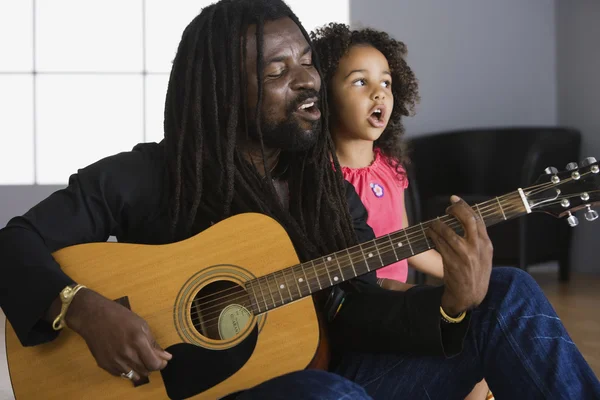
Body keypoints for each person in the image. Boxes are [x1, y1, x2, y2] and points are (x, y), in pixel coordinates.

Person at [0, 1, 598, 399]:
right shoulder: (151, 175)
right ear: (224, 94)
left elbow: (360, 311)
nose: (309, 80)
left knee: (510, 293)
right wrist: (78, 306)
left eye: (308, 63)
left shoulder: (325, 190)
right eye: (278, 70)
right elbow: (14, 241)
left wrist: (453, 306)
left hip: (331, 376)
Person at [311, 23, 491, 399]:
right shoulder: (322, 181)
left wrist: (460, 271)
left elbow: (404, 240)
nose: (379, 91)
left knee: (482, 333)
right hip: (365, 309)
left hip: (402, 297)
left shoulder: (391, 168)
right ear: (325, 96)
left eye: (387, 82)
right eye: (360, 82)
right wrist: (418, 298)